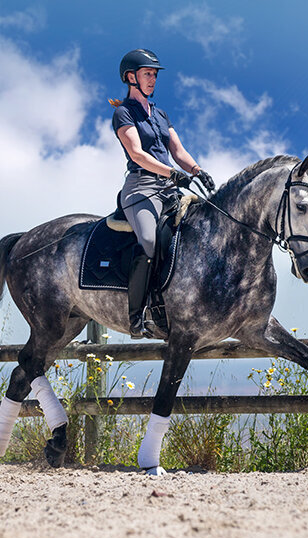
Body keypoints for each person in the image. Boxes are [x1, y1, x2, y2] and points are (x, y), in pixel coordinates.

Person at [111, 49, 214, 339]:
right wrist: (172, 173)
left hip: (169, 188)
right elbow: (138, 154)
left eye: (155, 74)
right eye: (147, 73)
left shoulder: (160, 114)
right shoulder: (123, 113)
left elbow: (177, 151)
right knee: (148, 240)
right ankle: (137, 317)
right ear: (131, 77)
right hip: (141, 189)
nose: (153, 78)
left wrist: (196, 170)